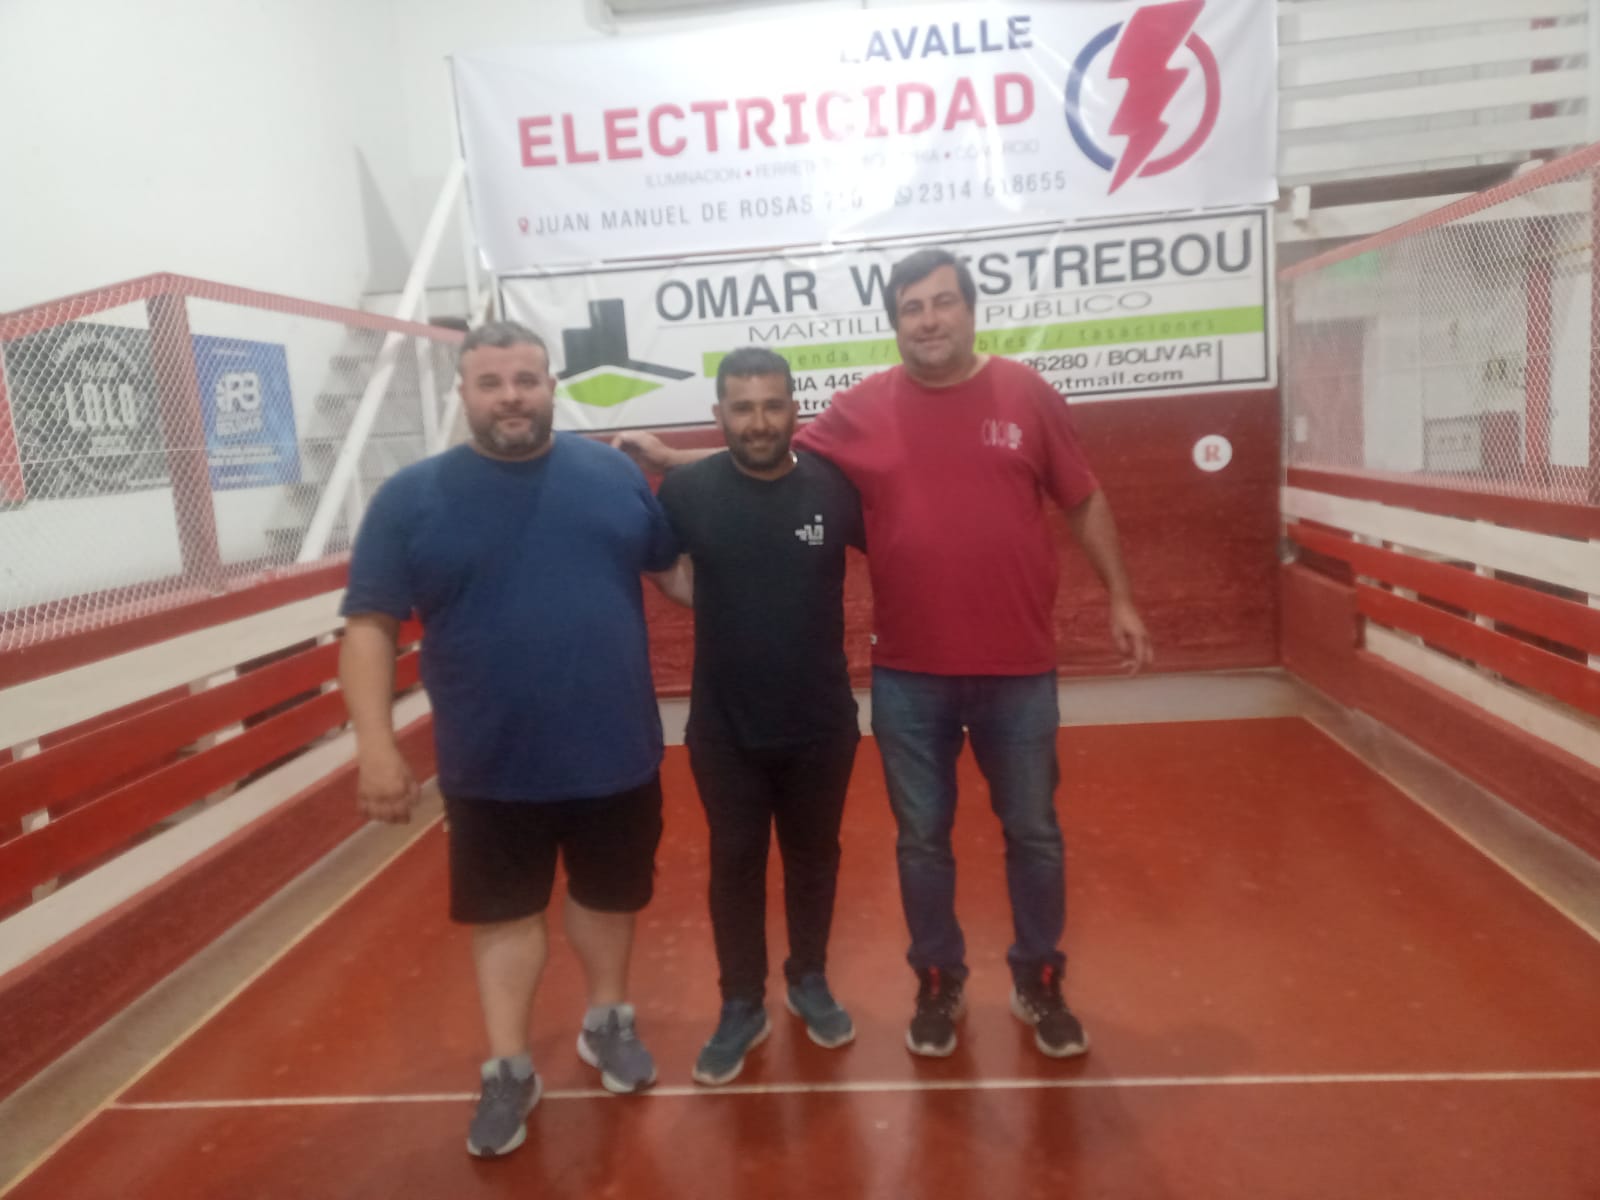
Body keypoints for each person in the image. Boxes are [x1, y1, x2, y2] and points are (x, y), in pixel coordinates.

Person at [617, 247, 1153, 1062]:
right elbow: (761, 454)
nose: (929, 319)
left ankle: (1038, 980)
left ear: (970, 310)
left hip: (1015, 670)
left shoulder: (1027, 394)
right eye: (912, 308)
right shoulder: (860, 410)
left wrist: (1120, 596)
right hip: (908, 677)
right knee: (920, 842)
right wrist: (666, 461)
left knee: (1035, 832)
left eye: (942, 302)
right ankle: (934, 983)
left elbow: (1082, 496)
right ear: (895, 322)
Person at [339, 320, 688, 1159]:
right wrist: (376, 746)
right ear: (463, 393)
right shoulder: (410, 498)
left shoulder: (612, 476)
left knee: (610, 896)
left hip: (614, 746)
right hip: (489, 759)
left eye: (526, 380)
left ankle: (607, 1022)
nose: (511, 398)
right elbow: (369, 626)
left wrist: (771, 585)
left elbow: (675, 574)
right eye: (491, 383)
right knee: (503, 913)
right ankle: (508, 1068)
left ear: (550, 386)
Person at [654, 347, 864, 1085]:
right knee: (735, 864)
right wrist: (718, 604)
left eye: (773, 405)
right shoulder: (687, 490)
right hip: (725, 730)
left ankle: (809, 978)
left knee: (815, 858)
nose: (759, 421)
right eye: (742, 408)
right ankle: (741, 1002)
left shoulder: (834, 488)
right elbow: (660, 561)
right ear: (719, 415)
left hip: (821, 724)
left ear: (794, 410)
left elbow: (906, 543)